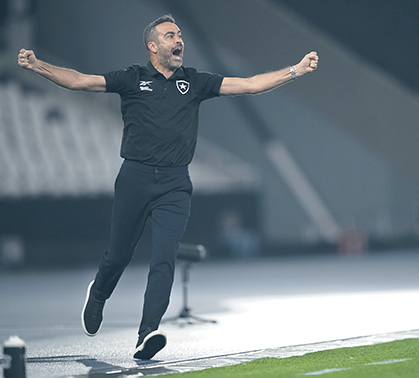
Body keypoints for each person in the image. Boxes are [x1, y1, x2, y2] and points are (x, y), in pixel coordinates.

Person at [17, 14, 319, 360]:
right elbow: (81, 81)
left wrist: (295, 70)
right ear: (153, 46)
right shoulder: (132, 78)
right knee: (119, 255)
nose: (179, 41)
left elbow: (249, 84)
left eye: (180, 36)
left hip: (175, 184)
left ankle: (148, 333)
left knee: (164, 259)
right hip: (135, 177)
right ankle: (99, 292)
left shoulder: (194, 81)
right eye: (170, 35)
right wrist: (38, 65)